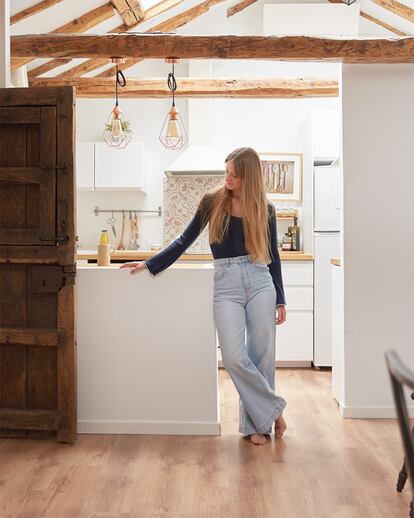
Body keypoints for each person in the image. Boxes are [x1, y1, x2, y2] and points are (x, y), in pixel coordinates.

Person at [120, 147, 288, 446]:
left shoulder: (266, 208)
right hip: (226, 283)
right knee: (234, 356)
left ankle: (255, 427)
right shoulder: (213, 201)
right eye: (227, 172)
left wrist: (281, 298)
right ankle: (274, 411)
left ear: (249, 177)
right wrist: (150, 263)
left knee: (262, 355)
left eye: (235, 175)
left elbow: (273, 255)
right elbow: (184, 239)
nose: (229, 179)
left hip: (261, 280)